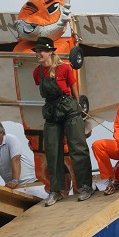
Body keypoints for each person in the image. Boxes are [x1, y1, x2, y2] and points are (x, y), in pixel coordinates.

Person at [32, 37, 93, 206]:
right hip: (51, 112)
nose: (38, 54)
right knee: (52, 151)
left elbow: (73, 88)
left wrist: (79, 107)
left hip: (69, 109)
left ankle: (86, 186)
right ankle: (56, 190)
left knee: (77, 148)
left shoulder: (65, 68)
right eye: (37, 51)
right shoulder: (37, 72)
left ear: (50, 52)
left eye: (41, 51)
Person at [0, 123, 47, 198]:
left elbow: (15, 159)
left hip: (31, 183)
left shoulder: (11, 139)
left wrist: (15, 180)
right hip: (13, 187)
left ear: (1, 133)